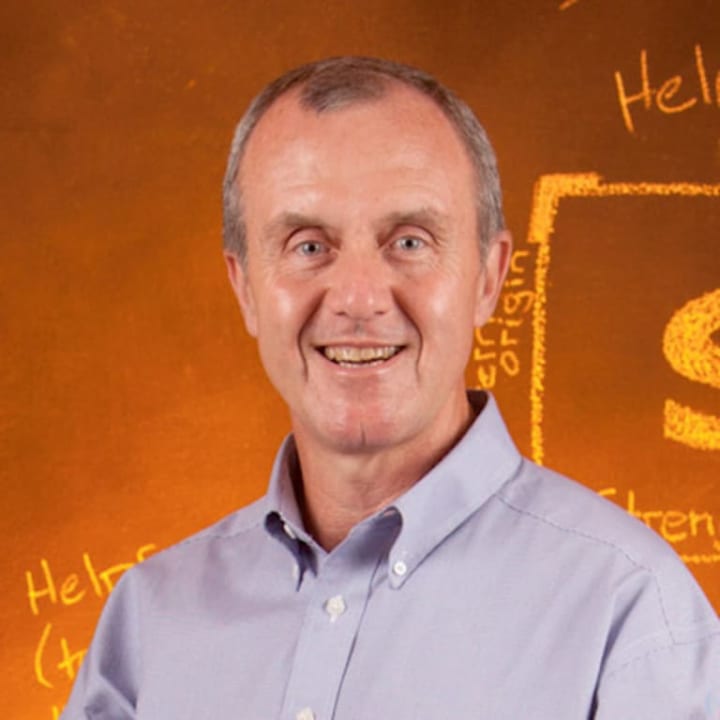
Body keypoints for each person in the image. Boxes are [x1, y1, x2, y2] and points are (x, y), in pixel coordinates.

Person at [62, 56, 719, 720]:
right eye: (308, 246)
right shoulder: (149, 625)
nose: (358, 298)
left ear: (489, 278)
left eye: (409, 241)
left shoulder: (628, 614)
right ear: (245, 288)